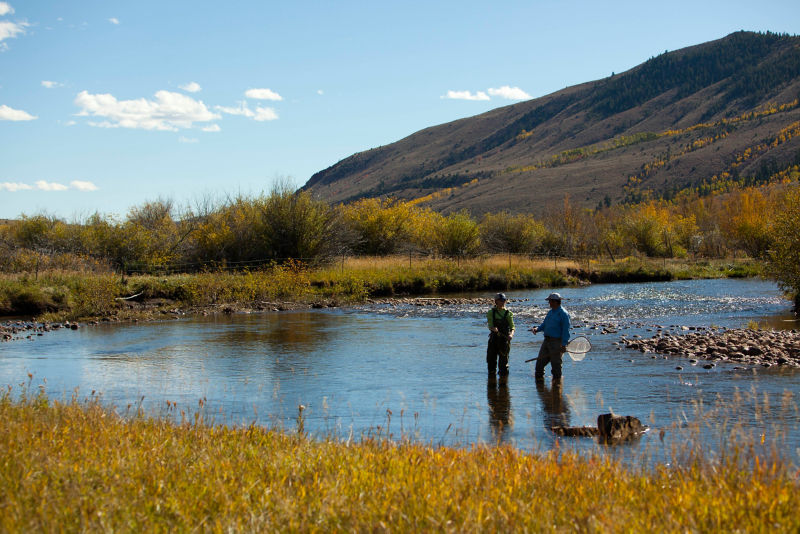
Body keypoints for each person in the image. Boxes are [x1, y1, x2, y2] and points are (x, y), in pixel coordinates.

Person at [529, 292, 570, 381]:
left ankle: (557, 388)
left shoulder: (563, 314)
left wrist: (564, 344)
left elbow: (566, 330)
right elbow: (545, 325)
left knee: (556, 366)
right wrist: (537, 329)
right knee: (539, 364)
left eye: (550, 301)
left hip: (557, 342)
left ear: (555, 302)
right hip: (546, 341)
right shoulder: (550, 312)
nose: (549, 303)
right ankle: (540, 387)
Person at [486, 293, 515, 378]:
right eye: (500, 300)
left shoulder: (508, 313)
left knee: (503, 363)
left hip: (505, 340)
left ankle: (504, 383)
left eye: (504, 300)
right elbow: (490, 325)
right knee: (491, 361)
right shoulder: (491, 312)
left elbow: (512, 327)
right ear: (496, 301)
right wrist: (493, 329)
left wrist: (511, 334)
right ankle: (491, 380)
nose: (503, 302)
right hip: (493, 339)